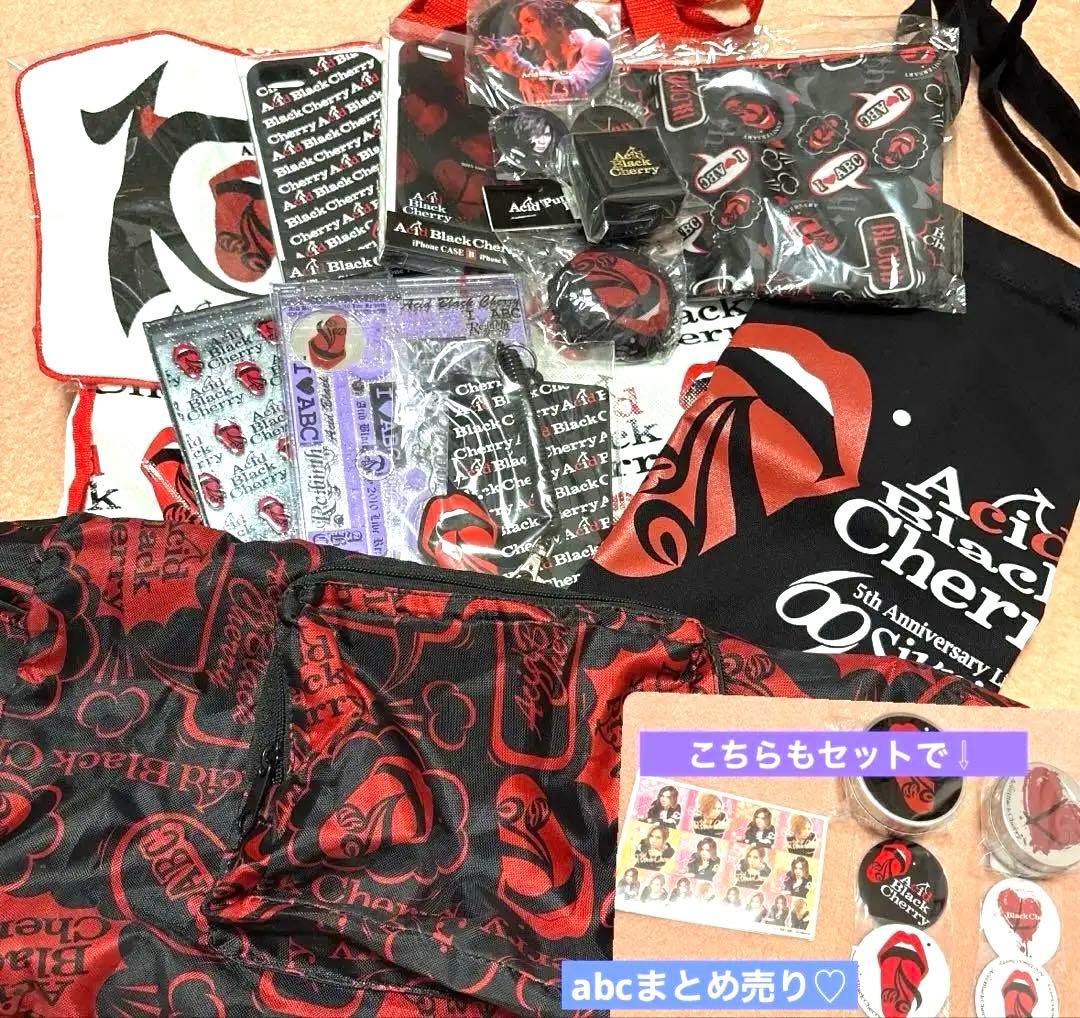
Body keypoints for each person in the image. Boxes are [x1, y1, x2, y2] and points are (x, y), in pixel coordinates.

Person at [476, 0, 614, 103]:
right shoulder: (545, 69)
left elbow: (571, 89)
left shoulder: (596, 47)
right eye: (521, 25)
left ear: (558, 24)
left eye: (530, 21)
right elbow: (551, 107)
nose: (523, 31)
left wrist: (517, 66)